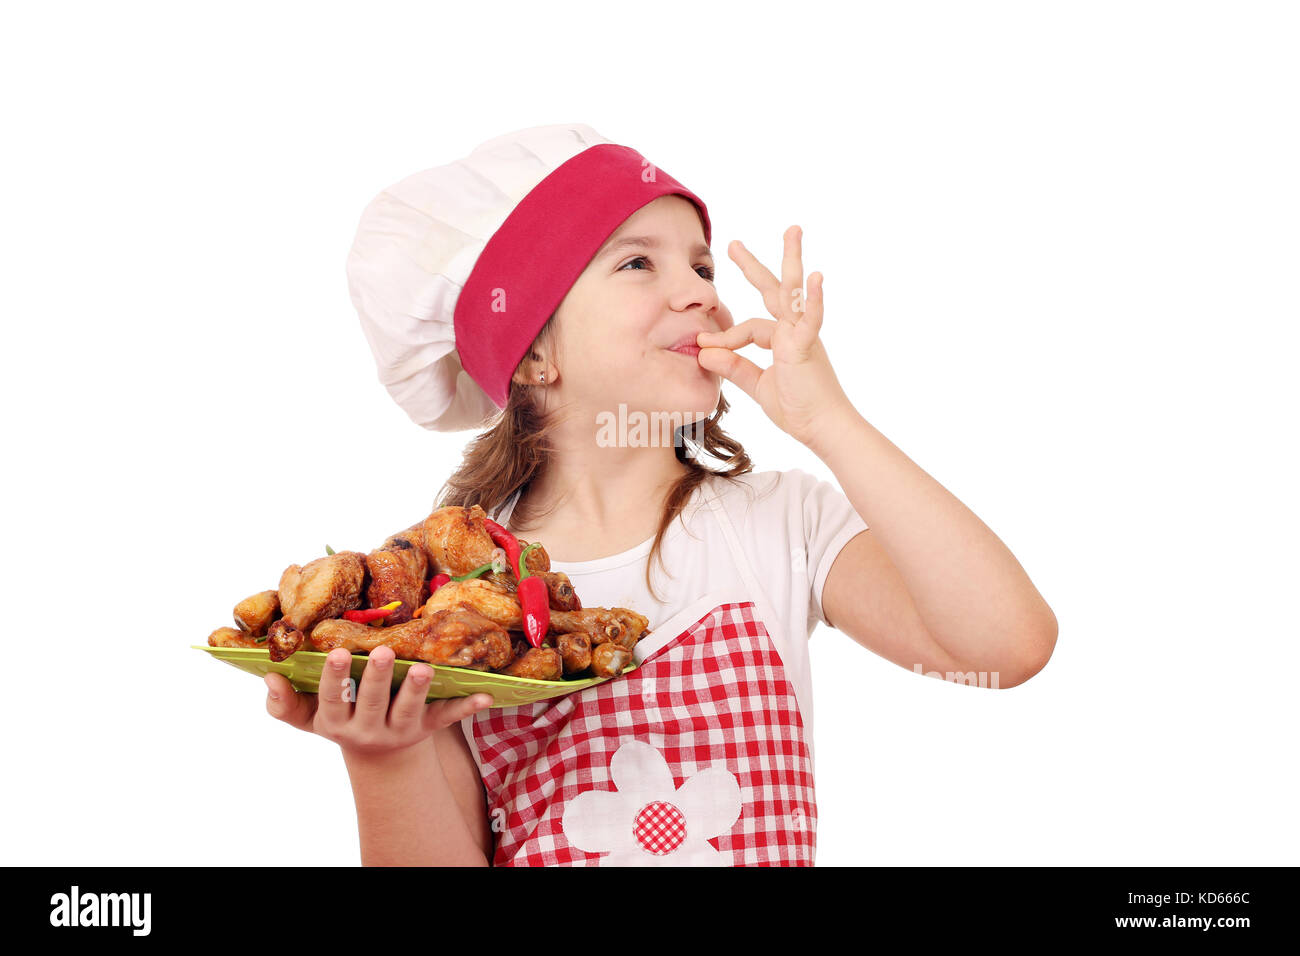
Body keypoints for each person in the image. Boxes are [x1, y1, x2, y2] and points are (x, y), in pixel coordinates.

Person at [261, 124, 1059, 866]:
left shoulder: (784, 522)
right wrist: (382, 754)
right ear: (534, 353)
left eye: (703, 266)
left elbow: (1005, 647)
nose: (701, 295)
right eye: (639, 263)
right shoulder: (443, 595)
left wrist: (831, 423)